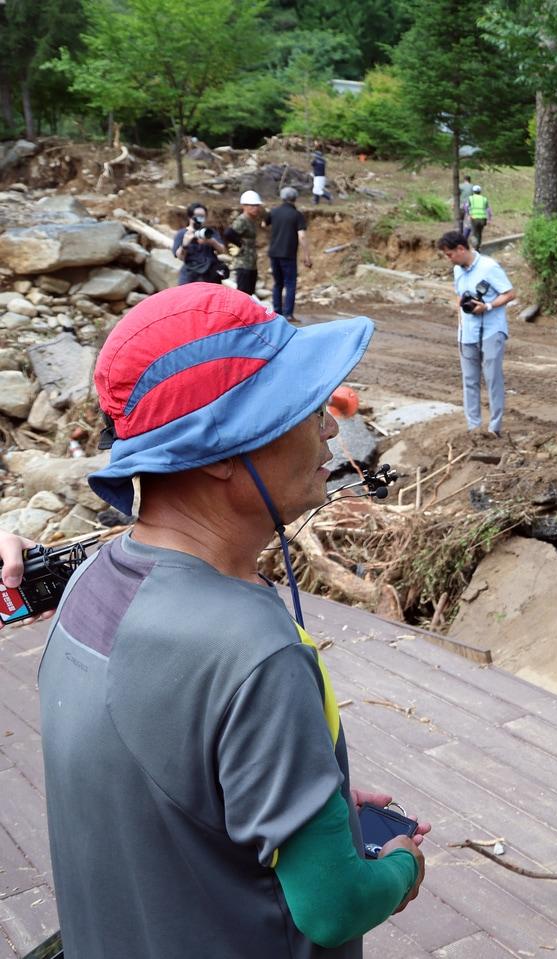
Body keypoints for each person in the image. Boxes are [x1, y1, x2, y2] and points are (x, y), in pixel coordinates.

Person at [38, 284, 429, 957]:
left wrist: (301, 793)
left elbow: (162, 783)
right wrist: (402, 866)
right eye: (305, 406)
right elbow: (334, 907)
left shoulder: (86, 588)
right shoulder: (253, 650)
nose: (330, 427)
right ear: (219, 449)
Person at [436, 230, 516, 436]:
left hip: (492, 330)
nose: (449, 259)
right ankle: (474, 427)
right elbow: (459, 296)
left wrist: (487, 306)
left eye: (450, 254)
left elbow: (510, 293)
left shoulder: (489, 267)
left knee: (492, 378)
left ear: (461, 249)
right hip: (468, 332)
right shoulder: (458, 270)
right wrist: (460, 322)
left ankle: (494, 427)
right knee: (469, 380)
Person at [265, 186, 311, 323]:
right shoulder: (297, 215)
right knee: (290, 283)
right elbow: (302, 236)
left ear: (282, 197)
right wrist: (307, 256)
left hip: (274, 253)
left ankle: (277, 312)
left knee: (277, 283)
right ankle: (288, 314)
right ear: (295, 198)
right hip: (288, 254)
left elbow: (263, 224)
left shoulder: (274, 212)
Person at [173, 201, 228, 286]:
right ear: (190, 216)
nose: (200, 218)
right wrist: (185, 245)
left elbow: (222, 250)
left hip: (210, 274)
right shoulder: (182, 233)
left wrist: (211, 241)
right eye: (197, 216)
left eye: (202, 216)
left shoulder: (209, 232)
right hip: (191, 275)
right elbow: (180, 257)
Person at [228, 190, 264, 296]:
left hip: (251, 262)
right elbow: (229, 233)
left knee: (250, 293)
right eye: (252, 206)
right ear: (244, 206)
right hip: (243, 263)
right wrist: (240, 245)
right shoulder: (242, 220)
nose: (256, 208)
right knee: (243, 293)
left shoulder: (251, 220)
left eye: (257, 205)